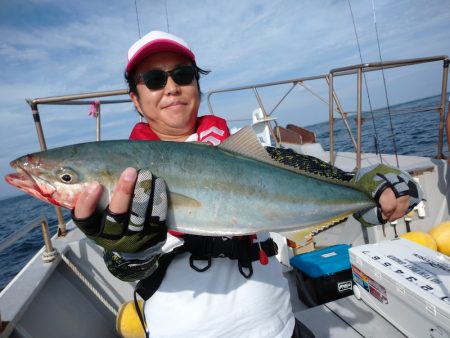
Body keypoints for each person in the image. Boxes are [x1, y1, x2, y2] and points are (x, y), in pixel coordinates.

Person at [72, 31, 422, 338]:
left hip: (278, 326)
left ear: (196, 83)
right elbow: (122, 266)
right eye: (153, 79)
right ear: (135, 97)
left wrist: (380, 186)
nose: (172, 88)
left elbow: (341, 180)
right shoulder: (127, 174)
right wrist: (132, 251)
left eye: (183, 75)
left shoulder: (252, 155)